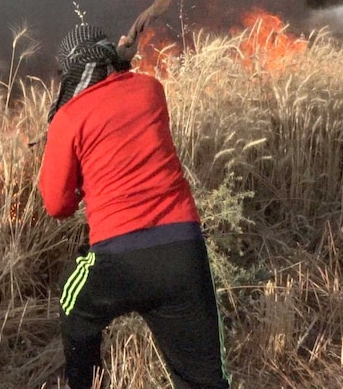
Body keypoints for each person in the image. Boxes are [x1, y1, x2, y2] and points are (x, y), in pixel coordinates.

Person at [38, 24, 230, 389]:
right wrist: (121, 59)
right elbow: (121, 83)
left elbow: (56, 205)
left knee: (72, 301)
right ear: (110, 57)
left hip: (119, 256)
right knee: (204, 380)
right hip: (183, 251)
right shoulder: (149, 90)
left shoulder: (68, 118)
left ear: (72, 71)